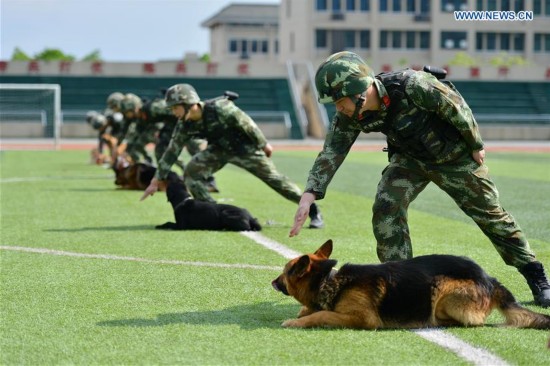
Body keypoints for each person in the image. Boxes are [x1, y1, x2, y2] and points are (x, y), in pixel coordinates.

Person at [289, 51, 550, 307]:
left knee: (490, 215)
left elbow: (456, 108)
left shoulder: (413, 85)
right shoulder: (350, 115)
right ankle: (400, 286)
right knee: (386, 206)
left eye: (339, 100)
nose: (338, 108)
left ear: (359, 90)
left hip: (454, 158)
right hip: (410, 160)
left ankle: (536, 276)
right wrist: (310, 194)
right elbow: (332, 151)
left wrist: (475, 144)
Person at [140, 83, 324, 229]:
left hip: (245, 149)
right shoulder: (184, 124)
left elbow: (246, 123)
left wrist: (263, 144)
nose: (173, 113)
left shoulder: (221, 108)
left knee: (277, 181)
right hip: (219, 150)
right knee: (191, 172)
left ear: (188, 103)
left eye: (175, 108)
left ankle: (313, 210)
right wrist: (156, 180)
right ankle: (211, 211)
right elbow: (172, 150)